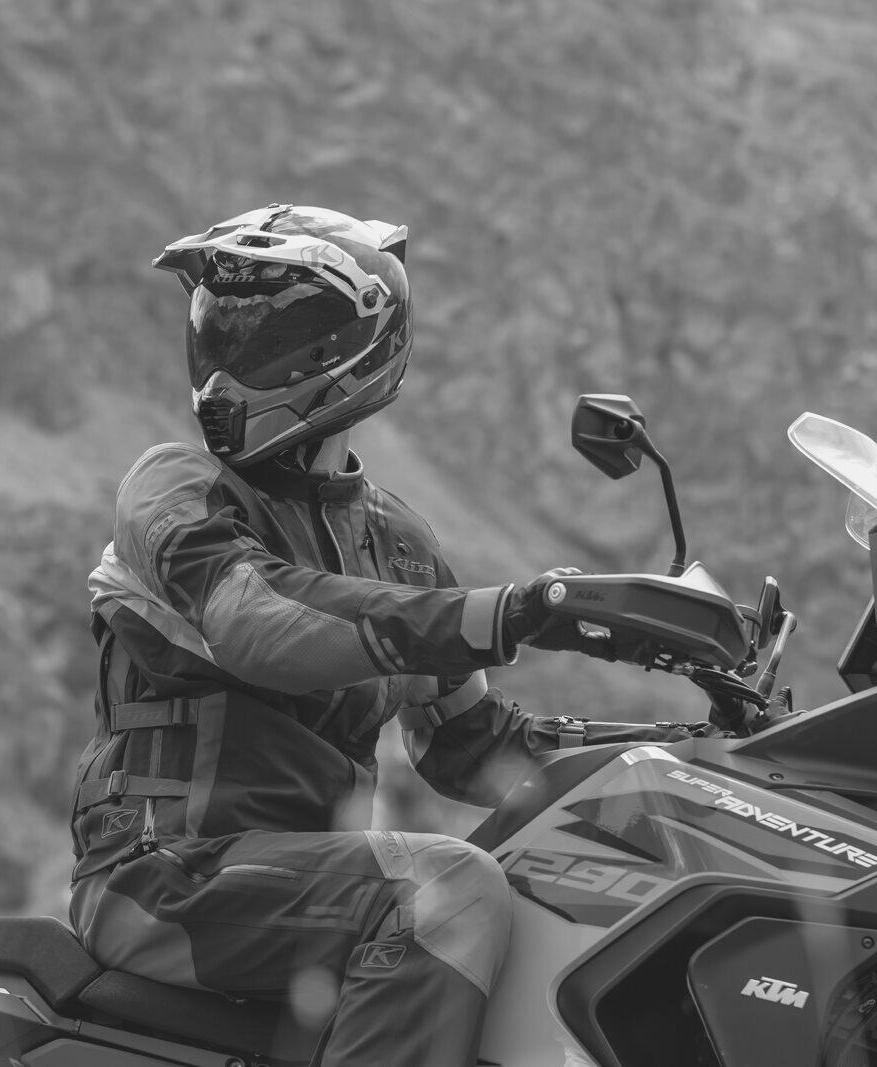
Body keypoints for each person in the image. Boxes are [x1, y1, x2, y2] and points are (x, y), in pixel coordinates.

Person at [68, 204, 708, 1067]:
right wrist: (512, 610)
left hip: (303, 889)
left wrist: (687, 757)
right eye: (217, 337)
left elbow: (476, 749)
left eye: (260, 341)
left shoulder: (399, 544)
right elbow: (255, 620)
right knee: (444, 887)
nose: (224, 370)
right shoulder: (175, 486)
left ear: (345, 350)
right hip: (163, 876)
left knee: (544, 893)